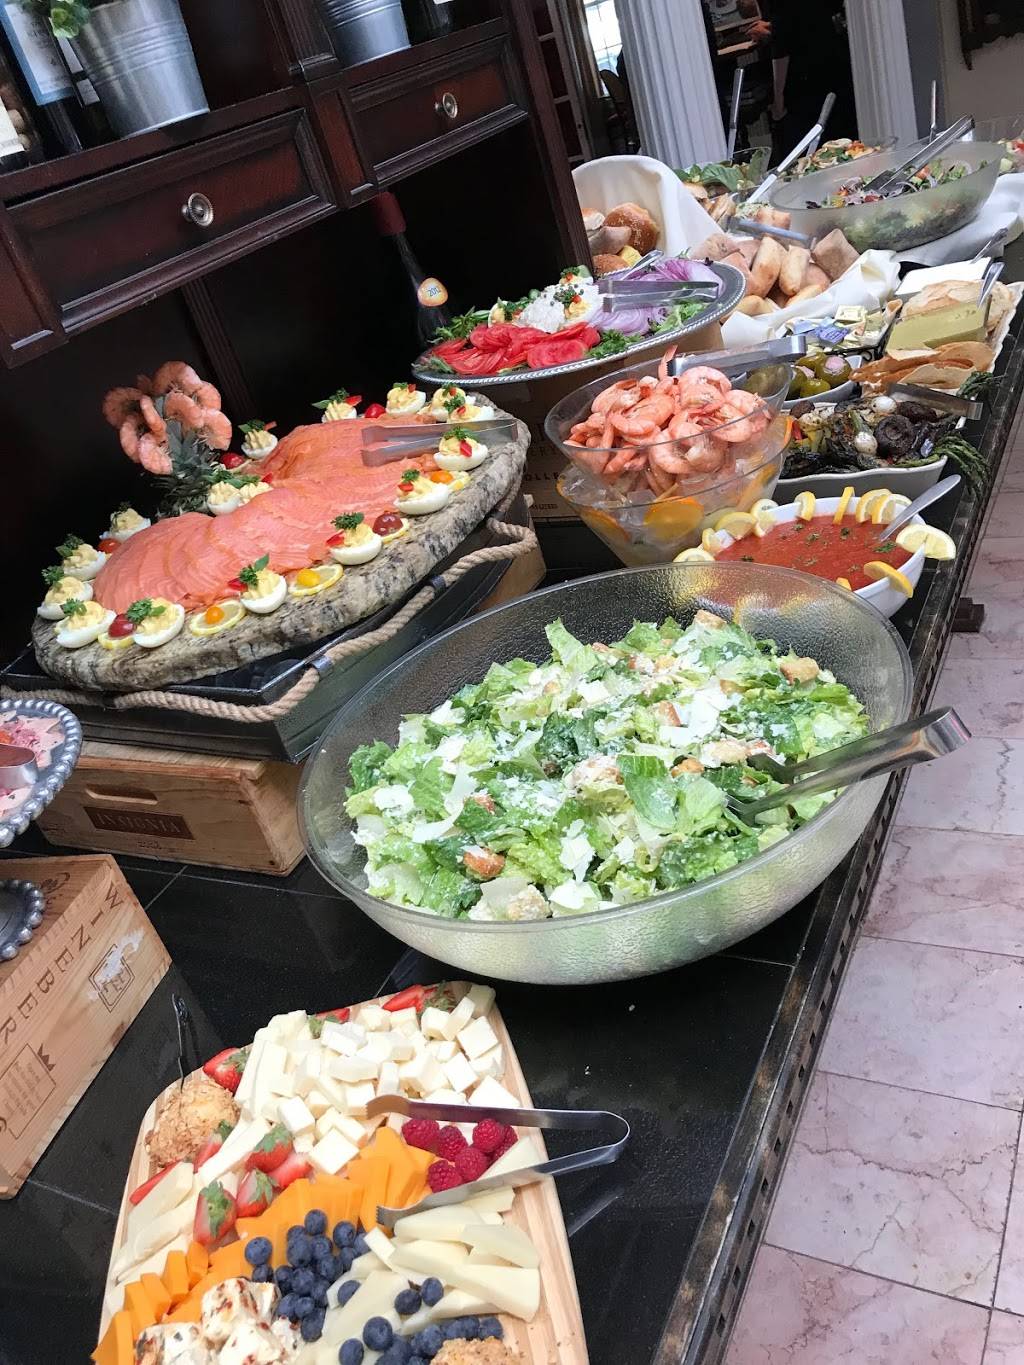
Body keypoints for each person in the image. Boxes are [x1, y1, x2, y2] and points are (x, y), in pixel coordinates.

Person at [770, 0, 857, 154]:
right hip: (838, 66)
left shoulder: (781, 6)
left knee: (810, 150)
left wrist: (778, 101)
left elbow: (781, 47)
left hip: (805, 82)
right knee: (847, 141)